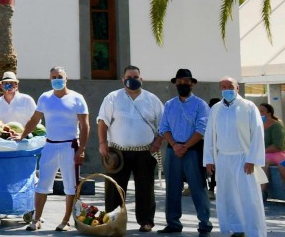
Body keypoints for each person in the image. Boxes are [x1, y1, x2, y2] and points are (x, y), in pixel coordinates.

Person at [21, 66, 89, 231]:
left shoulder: (77, 98)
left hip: (69, 146)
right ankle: (36, 219)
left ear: (66, 79)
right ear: (50, 79)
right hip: (50, 145)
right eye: (53, 77)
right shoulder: (45, 98)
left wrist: (81, 149)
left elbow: (85, 125)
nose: (57, 79)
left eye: (59, 76)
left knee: (70, 185)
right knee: (42, 183)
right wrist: (21, 136)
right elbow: (35, 119)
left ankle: (66, 221)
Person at [97, 64, 164, 232]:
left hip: (145, 152)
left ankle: (146, 221)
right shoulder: (112, 97)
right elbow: (102, 121)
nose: (132, 80)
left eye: (135, 77)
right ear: (123, 80)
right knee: (114, 189)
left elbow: (164, 124)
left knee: (145, 188)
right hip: (117, 152)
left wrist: (157, 142)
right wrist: (102, 143)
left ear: (141, 79)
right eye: (128, 78)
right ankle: (113, 221)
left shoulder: (152, 99)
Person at [203, 77, 266, 237]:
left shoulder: (248, 107)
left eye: (230, 86)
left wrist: (252, 159)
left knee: (249, 196)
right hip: (223, 158)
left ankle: (255, 231)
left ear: (237, 88)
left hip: (243, 158)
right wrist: (209, 159)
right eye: (223, 87)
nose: (227, 89)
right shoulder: (216, 108)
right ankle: (237, 228)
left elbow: (257, 133)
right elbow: (210, 134)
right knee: (227, 195)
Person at [158, 68, 212, 235]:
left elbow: (202, 129)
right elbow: (164, 128)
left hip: (193, 150)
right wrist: (175, 145)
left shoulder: (201, 105)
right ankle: (173, 223)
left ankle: (205, 223)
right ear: (175, 83)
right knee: (172, 187)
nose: (182, 84)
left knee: (198, 187)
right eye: (179, 82)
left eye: (186, 81)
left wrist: (185, 146)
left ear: (192, 84)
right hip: (173, 150)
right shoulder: (169, 104)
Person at [260, 103, 285, 191]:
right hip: (263, 153)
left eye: (262, 111)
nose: (260, 114)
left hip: (277, 154)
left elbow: (278, 145)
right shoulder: (259, 126)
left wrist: (263, 151)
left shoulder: (277, 126)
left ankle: (262, 190)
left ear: (269, 113)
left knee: (263, 162)